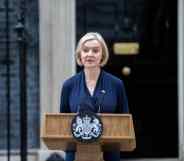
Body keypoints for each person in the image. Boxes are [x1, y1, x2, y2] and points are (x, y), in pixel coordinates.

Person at [60, 32, 129, 161]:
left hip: (109, 153)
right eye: (85, 50)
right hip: (75, 154)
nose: (90, 54)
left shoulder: (116, 84)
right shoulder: (68, 85)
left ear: (102, 54)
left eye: (95, 51)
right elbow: (64, 123)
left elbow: (124, 121)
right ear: (79, 54)